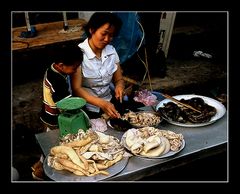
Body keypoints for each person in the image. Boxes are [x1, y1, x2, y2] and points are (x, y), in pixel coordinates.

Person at [32, 44, 83, 180]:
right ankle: (42, 171)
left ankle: (40, 164)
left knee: (50, 143)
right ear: (61, 65)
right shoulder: (57, 80)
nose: (76, 70)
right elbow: (67, 104)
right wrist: (80, 111)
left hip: (47, 113)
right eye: (74, 68)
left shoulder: (52, 68)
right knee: (51, 145)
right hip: (53, 118)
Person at [71, 12, 125, 119]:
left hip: (109, 103)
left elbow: (119, 79)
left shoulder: (112, 51)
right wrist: (101, 103)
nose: (107, 39)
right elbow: (76, 88)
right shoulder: (79, 53)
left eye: (111, 35)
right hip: (87, 107)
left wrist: (119, 86)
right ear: (92, 30)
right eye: (104, 34)